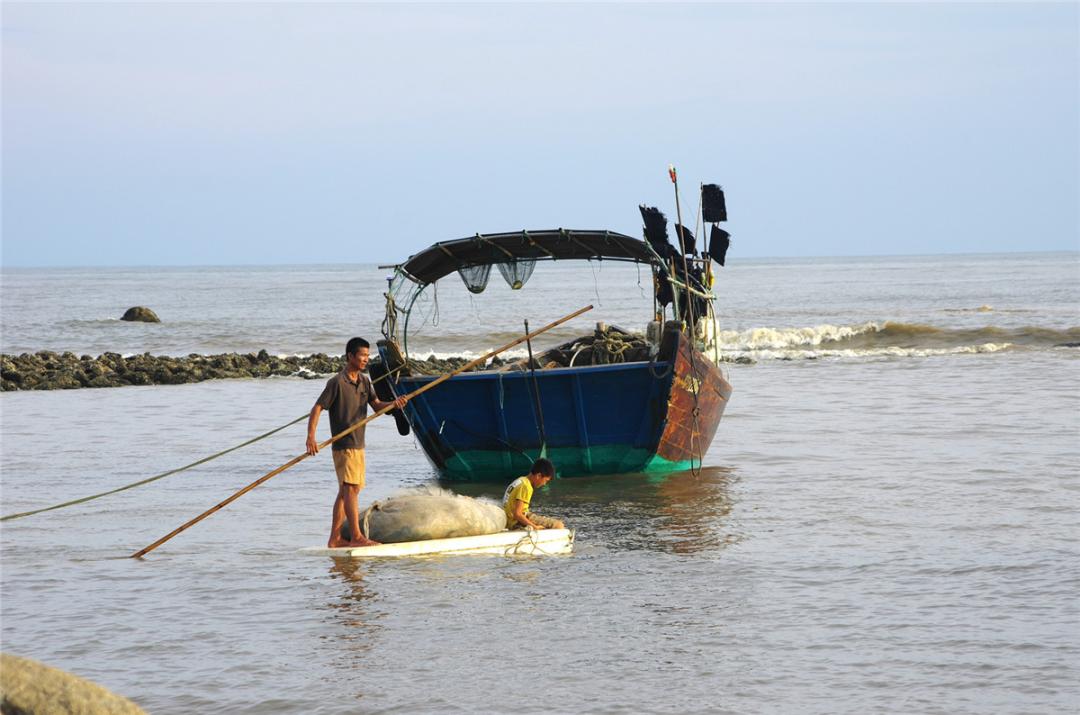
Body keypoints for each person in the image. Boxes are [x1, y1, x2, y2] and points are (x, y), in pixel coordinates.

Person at [307, 337, 407, 548]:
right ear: (350, 356)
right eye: (362, 355)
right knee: (350, 490)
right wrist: (311, 437)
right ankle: (356, 537)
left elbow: (377, 405)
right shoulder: (336, 382)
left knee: (347, 491)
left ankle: (335, 539)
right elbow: (317, 408)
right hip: (344, 446)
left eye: (367, 356)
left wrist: (394, 405)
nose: (365, 359)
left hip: (359, 444)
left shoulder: (365, 381)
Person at [502, 458, 565, 530]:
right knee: (559, 525)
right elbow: (518, 514)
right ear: (538, 476)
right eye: (545, 481)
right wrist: (535, 527)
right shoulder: (526, 487)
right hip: (515, 522)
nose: (544, 484)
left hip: (509, 519)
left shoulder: (521, 480)